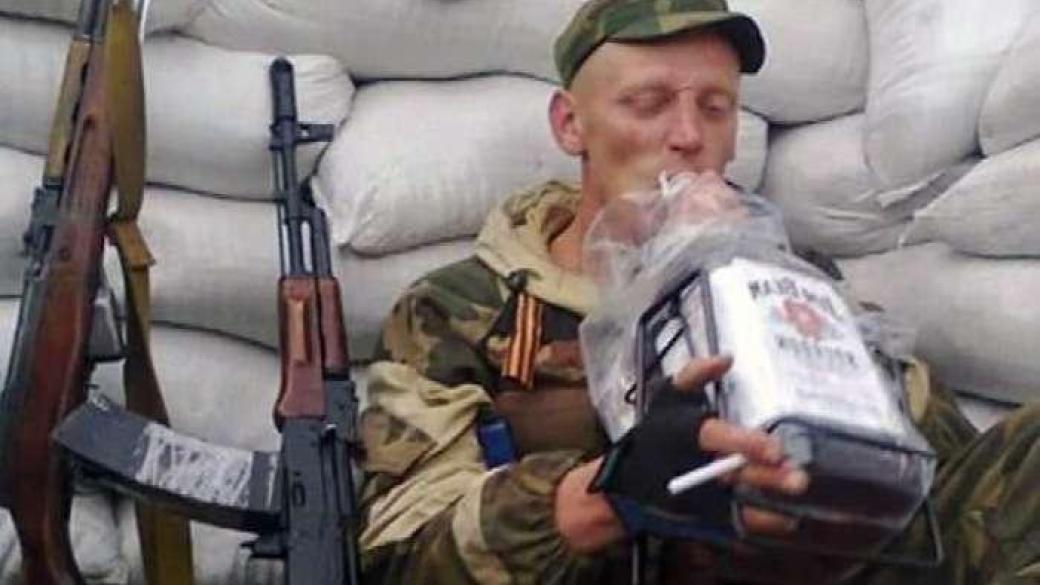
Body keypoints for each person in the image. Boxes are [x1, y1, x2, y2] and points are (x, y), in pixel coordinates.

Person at [356, 1, 1040, 583]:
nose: (688, 137)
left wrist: (745, 281)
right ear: (570, 125)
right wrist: (613, 491)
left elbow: (948, 477)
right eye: (647, 104)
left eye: (716, 109)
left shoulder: (789, 274)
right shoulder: (460, 309)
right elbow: (400, 554)